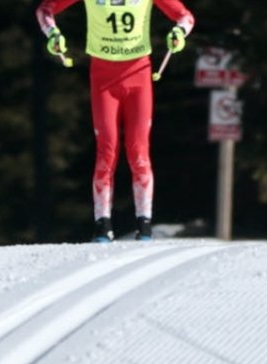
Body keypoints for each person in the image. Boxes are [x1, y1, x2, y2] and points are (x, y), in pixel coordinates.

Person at [35, 0, 195, 243]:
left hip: (138, 75)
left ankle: (144, 224)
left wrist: (179, 32)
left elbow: (185, 16)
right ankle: (103, 224)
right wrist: (52, 34)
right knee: (107, 149)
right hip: (104, 78)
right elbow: (45, 9)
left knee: (138, 150)